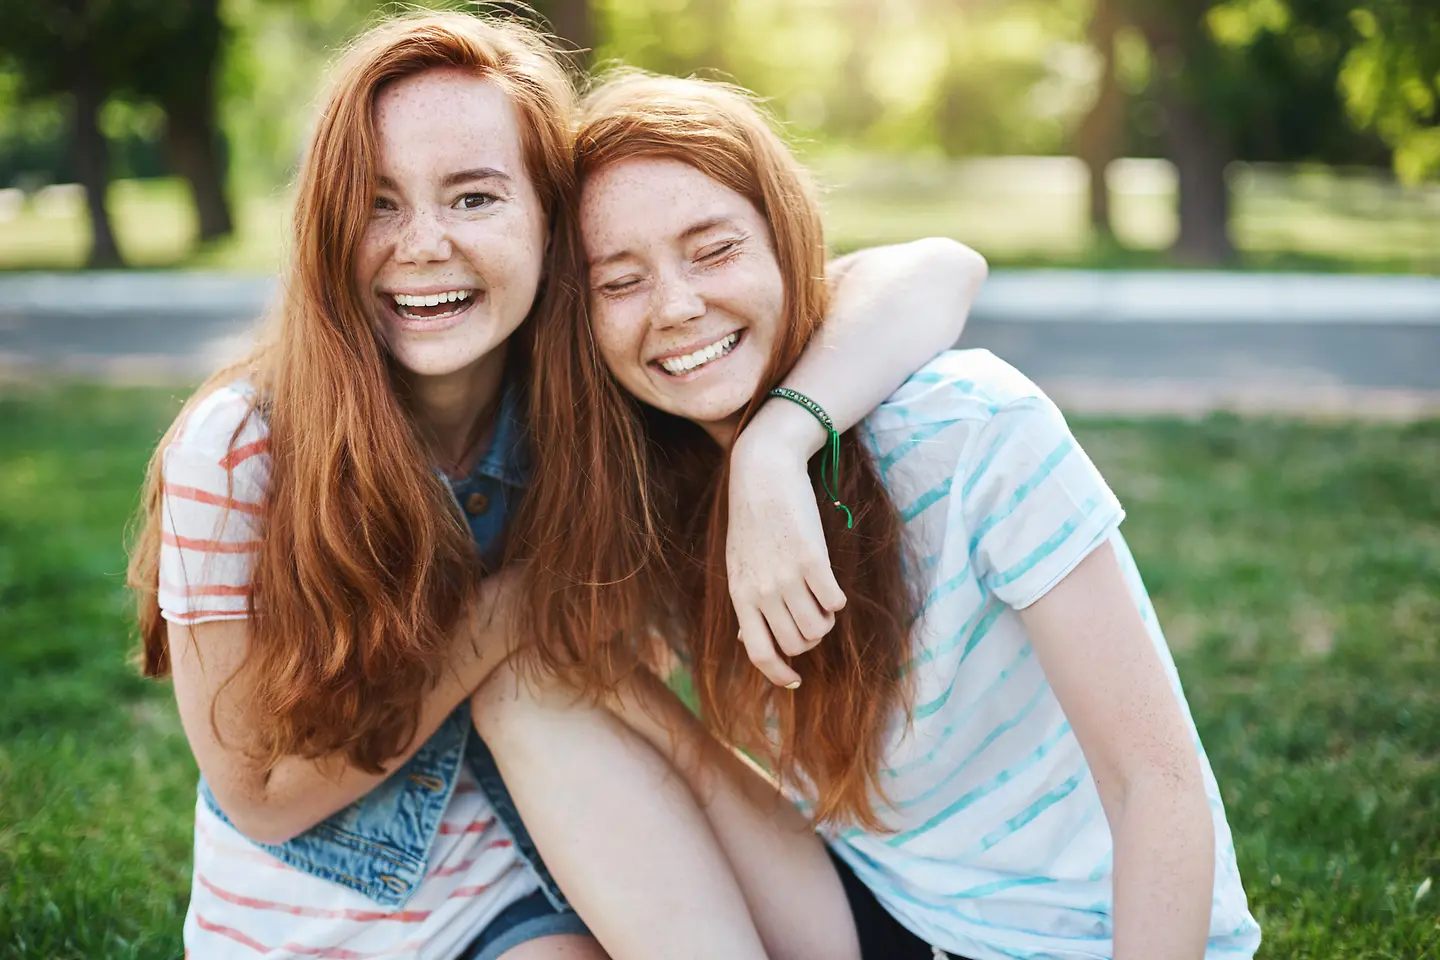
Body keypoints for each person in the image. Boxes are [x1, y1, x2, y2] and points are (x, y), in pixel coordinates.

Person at [126, 13, 987, 959]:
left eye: (474, 198)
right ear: (329, 223)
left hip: (528, 875)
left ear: (551, 218)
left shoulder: (598, 396)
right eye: (379, 203)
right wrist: (512, 612)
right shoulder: (239, 449)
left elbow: (936, 270)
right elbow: (258, 794)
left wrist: (774, 446)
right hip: (305, 908)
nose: (421, 244)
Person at [510, 71, 1264, 960]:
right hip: (877, 907)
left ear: (788, 244)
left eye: (713, 250)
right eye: (620, 281)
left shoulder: (972, 427)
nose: (676, 307)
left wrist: (774, 446)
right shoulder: (653, 482)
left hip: (1080, 938)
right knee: (526, 691)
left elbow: (1158, 787)